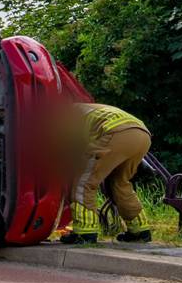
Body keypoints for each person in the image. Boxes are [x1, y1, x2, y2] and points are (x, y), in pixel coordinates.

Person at [62, 102, 153, 244]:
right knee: (119, 183)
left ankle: (85, 233)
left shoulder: (62, 117)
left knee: (84, 182)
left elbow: (62, 147)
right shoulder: (87, 108)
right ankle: (140, 231)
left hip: (115, 133)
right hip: (142, 134)